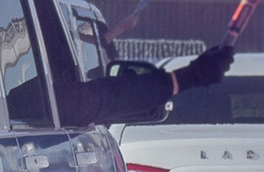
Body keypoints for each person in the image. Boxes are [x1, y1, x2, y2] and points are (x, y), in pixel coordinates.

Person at [54, 38, 232, 126]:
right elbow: (96, 99)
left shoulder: (33, 100)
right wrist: (187, 77)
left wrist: (185, 78)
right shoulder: (42, 103)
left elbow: (96, 99)